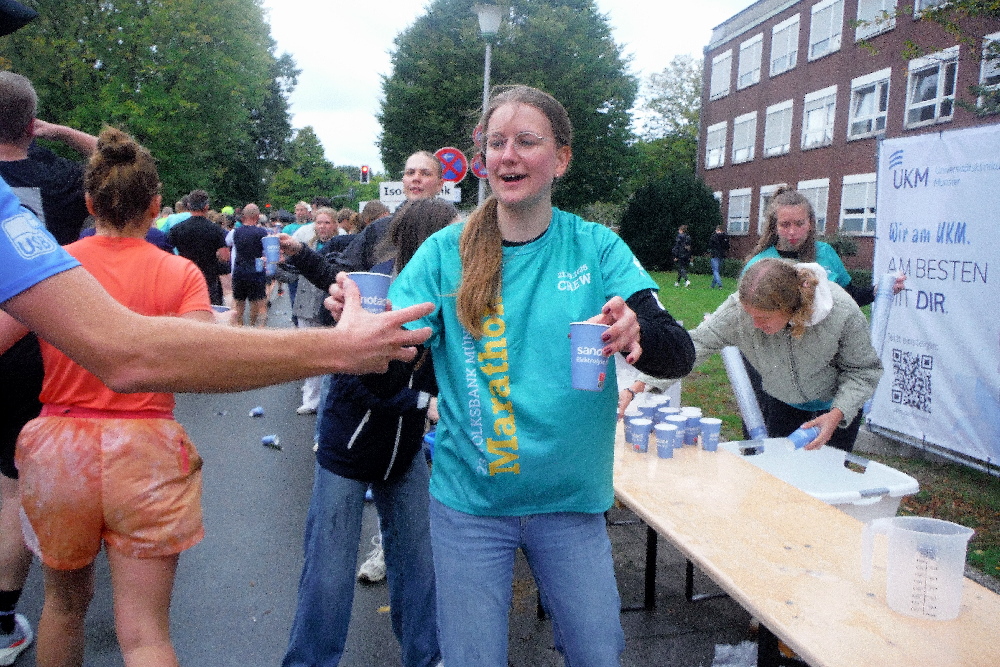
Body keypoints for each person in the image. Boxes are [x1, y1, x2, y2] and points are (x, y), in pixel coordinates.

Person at [338, 85, 695, 666]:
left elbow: (677, 352)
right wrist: (365, 341)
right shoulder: (445, 253)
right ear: (483, 160)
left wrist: (638, 335)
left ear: (561, 158)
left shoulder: (595, 247)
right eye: (497, 143)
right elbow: (385, 379)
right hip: (470, 505)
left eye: (527, 141)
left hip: (570, 503)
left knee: (598, 654)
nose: (509, 155)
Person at [12, 127, 212, 667]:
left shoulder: (54, 267)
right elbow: (199, 357)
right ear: (155, 207)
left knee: (62, 608)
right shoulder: (180, 273)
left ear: (88, 203)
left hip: (61, 447)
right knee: (146, 633)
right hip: (147, 446)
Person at [281, 197, 459, 667]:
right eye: (455, 237)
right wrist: (424, 403)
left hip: (404, 453)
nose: (464, 246)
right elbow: (358, 381)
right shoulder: (376, 290)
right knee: (328, 574)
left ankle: (427, 658)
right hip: (349, 450)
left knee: (419, 568)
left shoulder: (450, 292)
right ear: (429, 241)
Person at [0, 70, 98, 662]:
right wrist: (60, 132)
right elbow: (124, 158)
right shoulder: (60, 179)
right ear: (31, 124)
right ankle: (5, 618)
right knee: (14, 485)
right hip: (40, 343)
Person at [689, 257, 883, 451]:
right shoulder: (740, 309)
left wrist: (838, 413)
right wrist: (666, 380)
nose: (755, 324)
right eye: (750, 315)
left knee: (827, 469)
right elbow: (697, 344)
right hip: (782, 402)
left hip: (835, 407)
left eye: (764, 318)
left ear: (789, 307)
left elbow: (863, 370)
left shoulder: (841, 310)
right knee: (778, 466)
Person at [332, 151, 444, 275]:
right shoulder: (378, 229)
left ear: (440, 184)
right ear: (403, 181)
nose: (416, 178)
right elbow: (343, 269)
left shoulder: (451, 230)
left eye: (425, 173)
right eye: (410, 173)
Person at [288, 207, 342, 415]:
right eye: (319, 223)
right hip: (305, 304)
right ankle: (311, 399)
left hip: (327, 305)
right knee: (310, 353)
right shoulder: (308, 245)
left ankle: (328, 400)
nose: (322, 227)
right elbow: (292, 275)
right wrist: (278, 266)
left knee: (330, 355)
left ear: (335, 224)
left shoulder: (341, 245)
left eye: (327, 222)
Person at [166, 191, 228, 305]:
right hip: (208, 278)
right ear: (206, 207)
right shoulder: (215, 229)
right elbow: (225, 256)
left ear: (189, 206)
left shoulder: (177, 229)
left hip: (185, 277)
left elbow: (166, 251)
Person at [228, 203, 270, 327]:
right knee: (258, 302)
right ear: (257, 216)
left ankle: (239, 326)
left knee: (239, 302)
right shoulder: (262, 232)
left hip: (239, 270)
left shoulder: (236, 232)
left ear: (243, 216)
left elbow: (227, 243)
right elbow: (268, 251)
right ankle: (254, 326)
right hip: (256, 270)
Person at [708, 225, 729, 289]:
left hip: (715, 255)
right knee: (717, 271)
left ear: (718, 230)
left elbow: (710, 245)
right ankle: (712, 286)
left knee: (715, 271)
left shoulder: (714, 236)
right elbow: (727, 247)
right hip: (722, 255)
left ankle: (720, 285)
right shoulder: (726, 237)